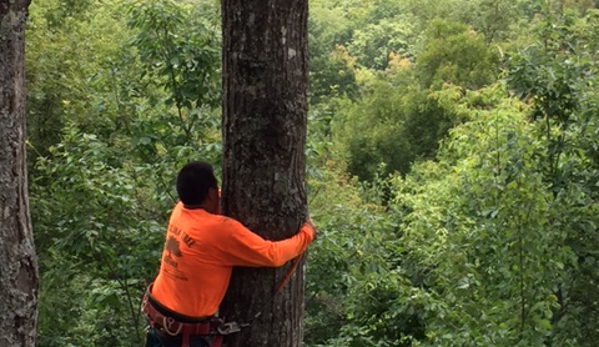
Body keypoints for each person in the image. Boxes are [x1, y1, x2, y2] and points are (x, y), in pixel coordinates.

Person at [142, 161, 316, 347]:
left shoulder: (180, 211)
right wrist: (307, 233)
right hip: (183, 336)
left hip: (160, 320)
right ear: (209, 193)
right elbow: (272, 255)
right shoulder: (219, 231)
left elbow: (213, 200)